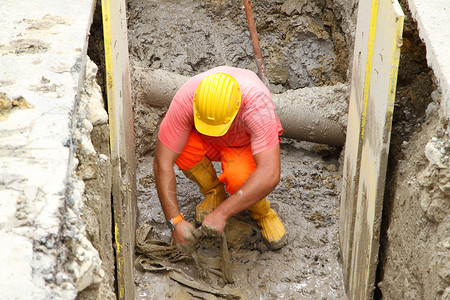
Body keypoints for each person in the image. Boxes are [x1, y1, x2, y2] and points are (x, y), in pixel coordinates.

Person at [153, 66, 287, 250]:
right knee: (179, 147)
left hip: (242, 144)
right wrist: (174, 221)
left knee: (239, 177)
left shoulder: (257, 106)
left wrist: (222, 214)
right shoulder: (186, 99)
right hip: (205, 140)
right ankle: (214, 193)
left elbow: (270, 173)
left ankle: (262, 213)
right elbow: (162, 161)